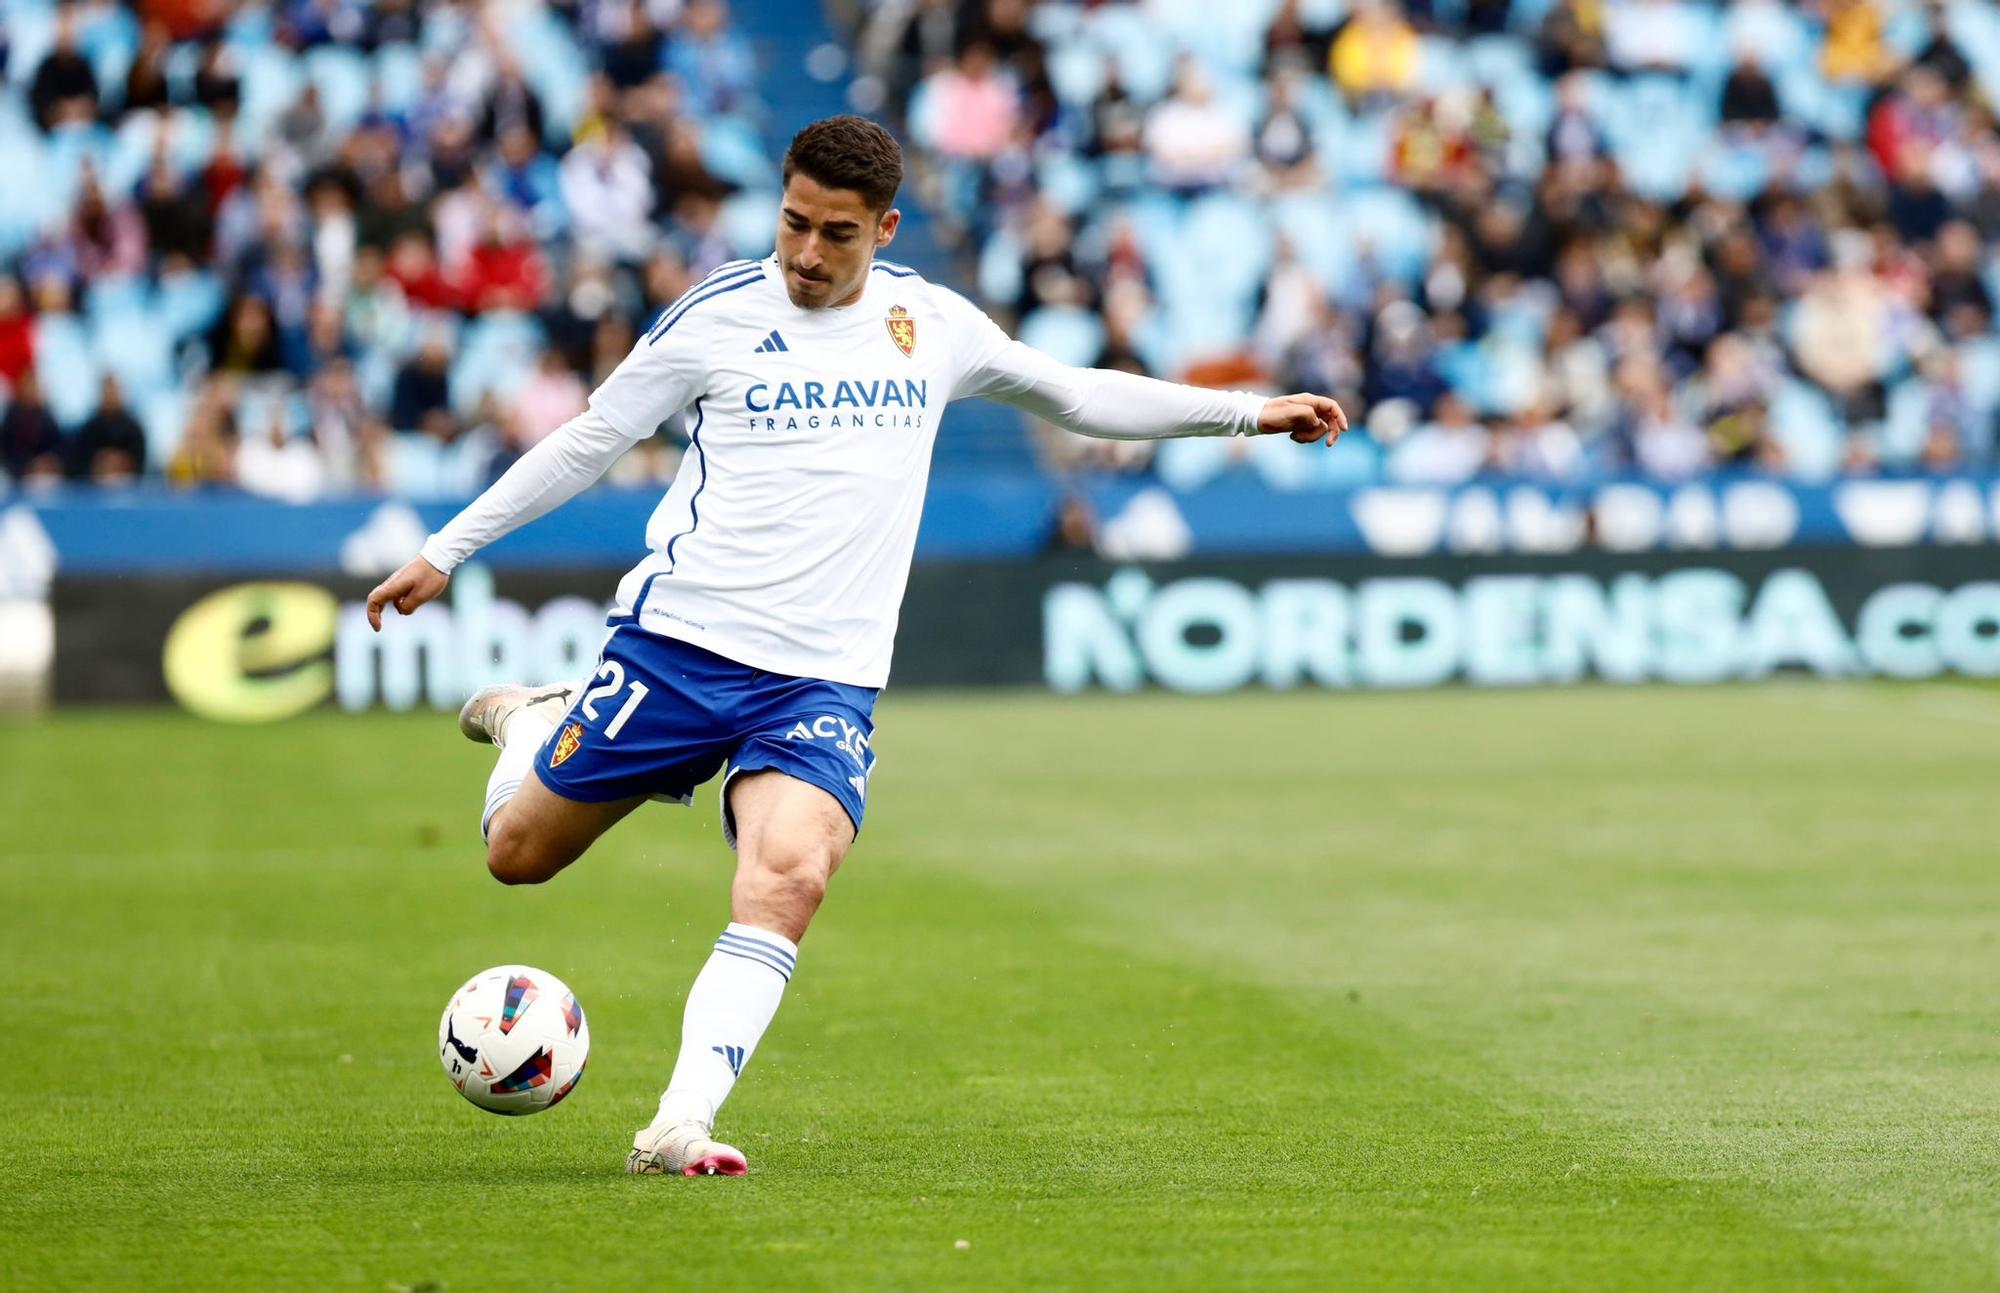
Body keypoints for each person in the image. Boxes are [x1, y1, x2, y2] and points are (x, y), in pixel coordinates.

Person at [363, 116, 1346, 1178]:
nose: (805, 254)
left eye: (835, 234)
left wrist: (1247, 416)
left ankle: (676, 1123)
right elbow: (591, 439)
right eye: (791, 223)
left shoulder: (932, 322)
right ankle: (534, 718)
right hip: (681, 649)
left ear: (882, 228)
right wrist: (445, 551)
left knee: (789, 876)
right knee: (518, 856)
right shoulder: (717, 318)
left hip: (823, 677)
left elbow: (1074, 392)